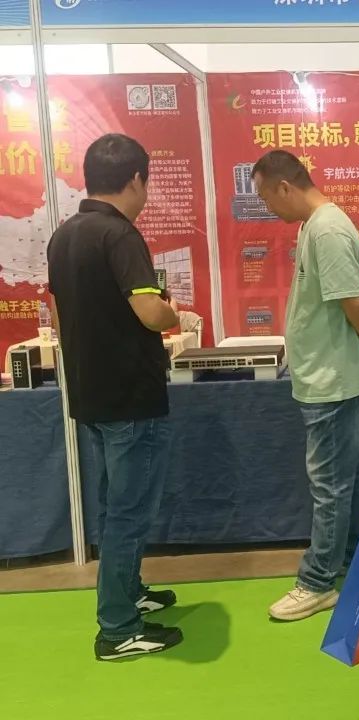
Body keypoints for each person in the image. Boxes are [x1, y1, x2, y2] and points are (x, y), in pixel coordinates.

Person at [47, 134, 183, 661]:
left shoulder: (64, 235)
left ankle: (129, 593)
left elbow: (58, 315)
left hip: (92, 394)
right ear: (136, 179)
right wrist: (173, 312)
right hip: (130, 397)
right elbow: (150, 312)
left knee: (114, 506)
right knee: (129, 512)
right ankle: (118, 627)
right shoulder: (120, 235)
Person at [252, 150, 359, 622]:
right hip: (326, 376)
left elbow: (355, 303)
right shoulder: (314, 226)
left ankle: (317, 582)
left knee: (330, 486)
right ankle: (356, 559)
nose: (267, 207)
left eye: (266, 197)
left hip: (333, 381)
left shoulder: (327, 229)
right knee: (344, 482)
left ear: (284, 187)